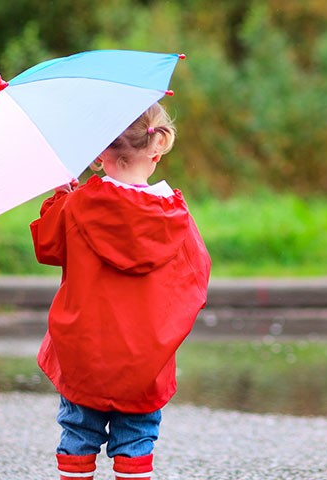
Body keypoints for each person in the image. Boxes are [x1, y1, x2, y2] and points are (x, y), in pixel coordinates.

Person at [30, 102, 211, 480]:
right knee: (136, 443)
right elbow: (196, 279)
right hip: (144, 363)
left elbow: (47, 246)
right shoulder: (175, 217)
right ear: (156, 148)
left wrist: (60, 198)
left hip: (84, 357)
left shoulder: (78, 205)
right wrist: (160, 336)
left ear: (99, 152)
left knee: (78, 436)